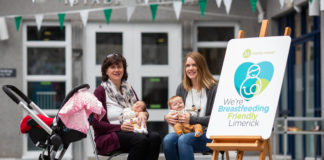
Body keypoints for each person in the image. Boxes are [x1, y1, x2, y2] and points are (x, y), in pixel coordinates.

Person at [92, 53, 161, 160]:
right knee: (140, 140)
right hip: (108, 136)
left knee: (155, 137)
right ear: (106, 71)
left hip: (132, 132)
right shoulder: (100, 91)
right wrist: (119, 127)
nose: (116, 70)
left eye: (119, 66)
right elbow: (95, 124)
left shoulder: (128, 89)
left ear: (123, 69)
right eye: (112, 67)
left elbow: (141, 109)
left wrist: (144, 113)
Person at [163, 51, 218, 160]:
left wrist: (192, 119)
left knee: (184, 140)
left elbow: (216, 119)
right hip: (186, 131)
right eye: (187, 65)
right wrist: (169, 118)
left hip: (207, 133)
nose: (190, 68)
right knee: (168, 140)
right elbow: (176, 110)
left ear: (201, 67)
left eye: (194, 65)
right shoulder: (182, 87)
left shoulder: (213, 88)